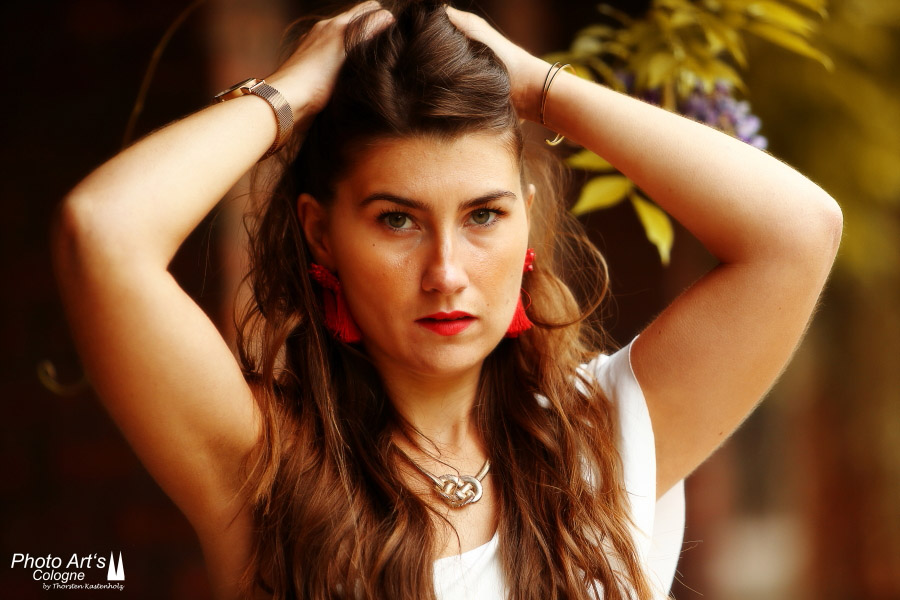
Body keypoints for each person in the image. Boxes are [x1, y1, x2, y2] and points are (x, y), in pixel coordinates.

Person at [50, 0, 842, 598]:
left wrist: (538, 87)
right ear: (321, 234)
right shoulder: (264, 462)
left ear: (526, 214)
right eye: (397, 220)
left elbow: (799, 231)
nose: (447, 272)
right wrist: (293, 90)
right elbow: (102, 234)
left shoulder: (609, 432)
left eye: (483, 215)